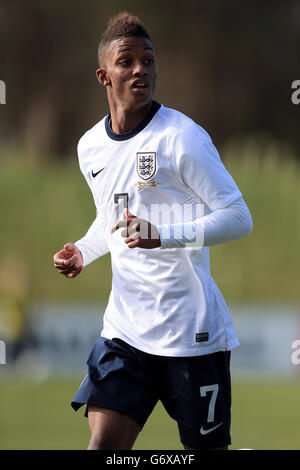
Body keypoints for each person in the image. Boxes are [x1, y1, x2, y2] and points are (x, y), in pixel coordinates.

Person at [53, 12, 253, 450]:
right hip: (125, 331)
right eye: (127, 61)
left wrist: (162, 234)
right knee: (104, 445)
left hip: (192, 335)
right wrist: (85, 250)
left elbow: (239, 217)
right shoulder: (90, 146)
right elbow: (114, 218)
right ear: (104, 76)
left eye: (149, 60)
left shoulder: (183, 137)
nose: (141, 69)